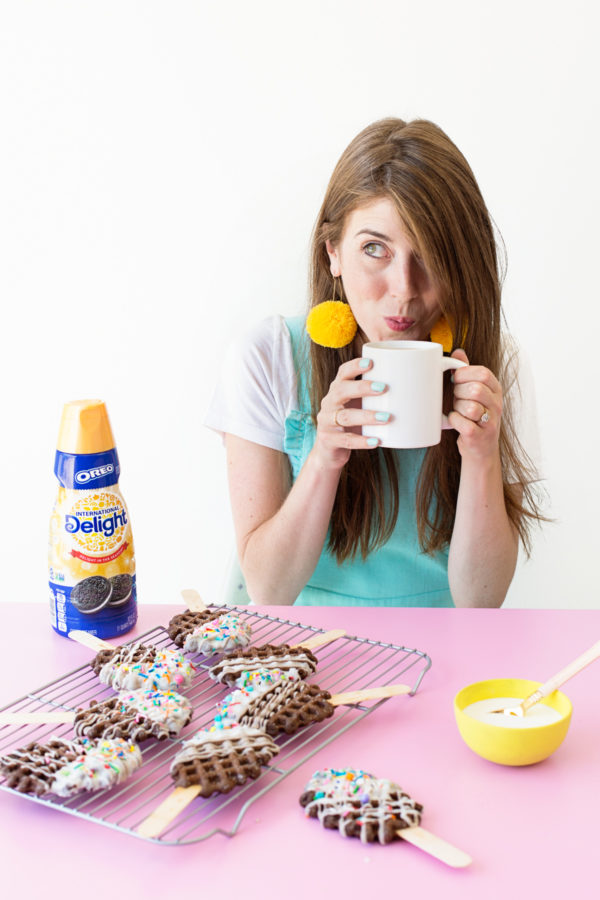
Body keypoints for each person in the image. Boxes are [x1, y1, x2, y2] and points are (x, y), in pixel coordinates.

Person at [206, 118, 544, 607]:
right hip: (304, 650)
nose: (404, 289)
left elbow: (482, 601)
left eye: (430, 254)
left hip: (448, 641)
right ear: (332, 255)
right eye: (373, 249)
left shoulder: (496, 368)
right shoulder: (268, 356)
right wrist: (324, 456)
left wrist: (481, 454)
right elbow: (268, 589)